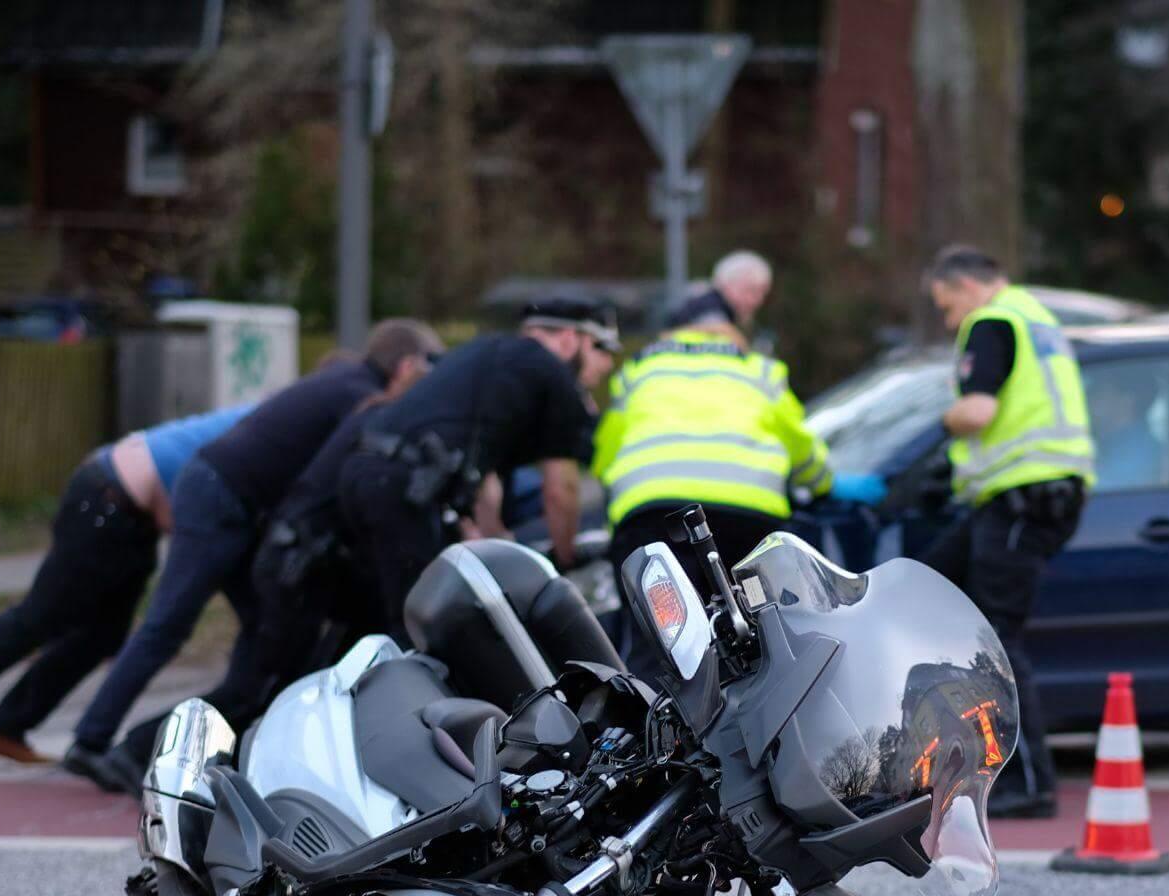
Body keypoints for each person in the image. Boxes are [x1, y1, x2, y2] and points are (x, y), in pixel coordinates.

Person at [62, 318, 441, 792]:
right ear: (406, 366)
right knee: (169, 624)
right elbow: (328, 478)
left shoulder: (346, 383)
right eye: (431, 366)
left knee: (263, 643)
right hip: (220, 496)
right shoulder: (357, 397)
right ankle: (93, 741)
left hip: (233, 501)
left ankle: (216, 738)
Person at [0, 402, 256, 774]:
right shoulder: (286, 424)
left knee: (102, 635)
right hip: (107, 499)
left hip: (127, 509)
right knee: (38, 617)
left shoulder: (278, 416)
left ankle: (5, 728)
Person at [919, 244, 1095, 819]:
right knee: (931, 587)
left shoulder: (990, 320)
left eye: (947, 308)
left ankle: (1030, 782)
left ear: (968, 287)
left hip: (1021, 499)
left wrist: (937, 420)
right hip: (1031, 495)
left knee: (995, 641)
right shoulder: (1036, 317)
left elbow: (976, 413)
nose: (950, 322)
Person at [336, 300, 617, 638]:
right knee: (424, 629)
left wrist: (497, 539)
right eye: (600, 347)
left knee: (377, 622)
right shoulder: (553, 374)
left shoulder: (483, 354)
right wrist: (564, 559)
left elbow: (483, 474)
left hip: (361, 475)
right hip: (403, 490)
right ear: (572, 339)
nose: (609, 363)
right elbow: (561, 489)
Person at [595, 306, 866, 578]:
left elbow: (607, 452)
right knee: (755, 604)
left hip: (650, 505)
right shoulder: (759, 370)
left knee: (656, 610)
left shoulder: (637, 371)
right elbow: (799, 445)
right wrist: (822, 484)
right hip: (749, 505)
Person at [667, 250, 772, 332]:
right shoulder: (711, 311)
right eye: (750, 290)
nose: (757, 300)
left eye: (763, 293)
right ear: (726, 283)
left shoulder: (699, 302)